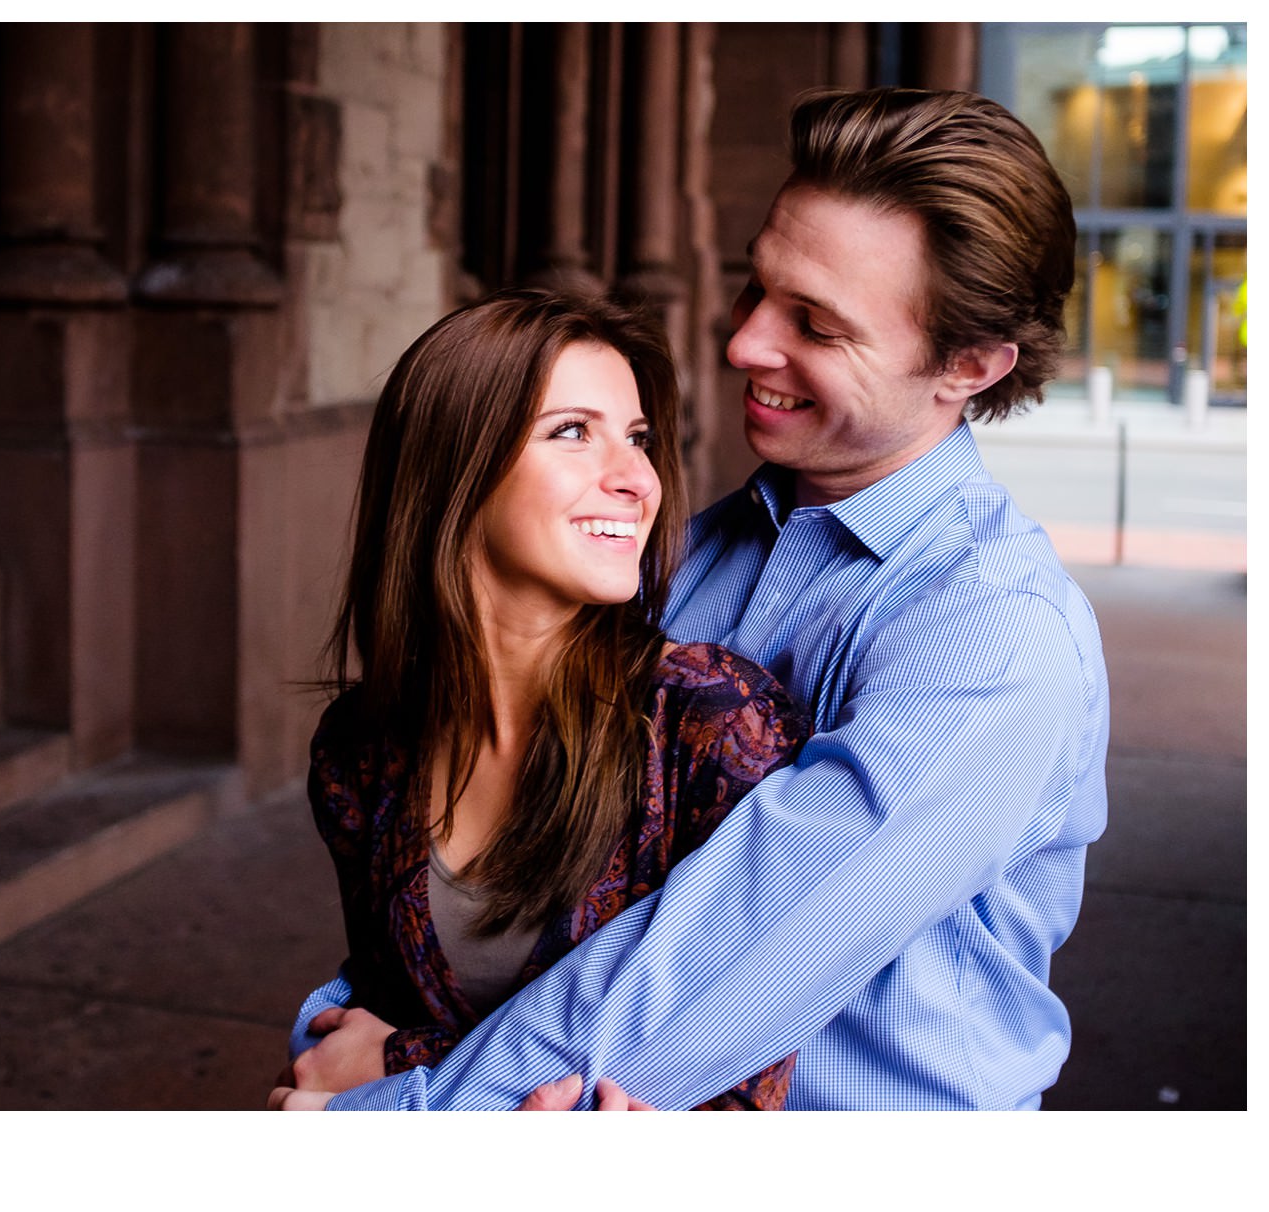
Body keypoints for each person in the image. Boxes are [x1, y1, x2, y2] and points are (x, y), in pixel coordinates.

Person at [275, 87, 1109, 1111]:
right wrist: (344, 1030)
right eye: (755, 290)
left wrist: (394, 1106)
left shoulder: (993, 638)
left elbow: (707, 962)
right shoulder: (699, 549)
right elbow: (510, 894)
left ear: (967, 365)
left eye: (814, 324)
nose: (744, 345)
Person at [273, 288, 810, 1111]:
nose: (638, 478)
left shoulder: (709, 723)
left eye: (637, 438)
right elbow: (361, 1025)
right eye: (572, 432)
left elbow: (734, 1075)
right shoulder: (360, 750)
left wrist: (390, 1074)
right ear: (455, 467)